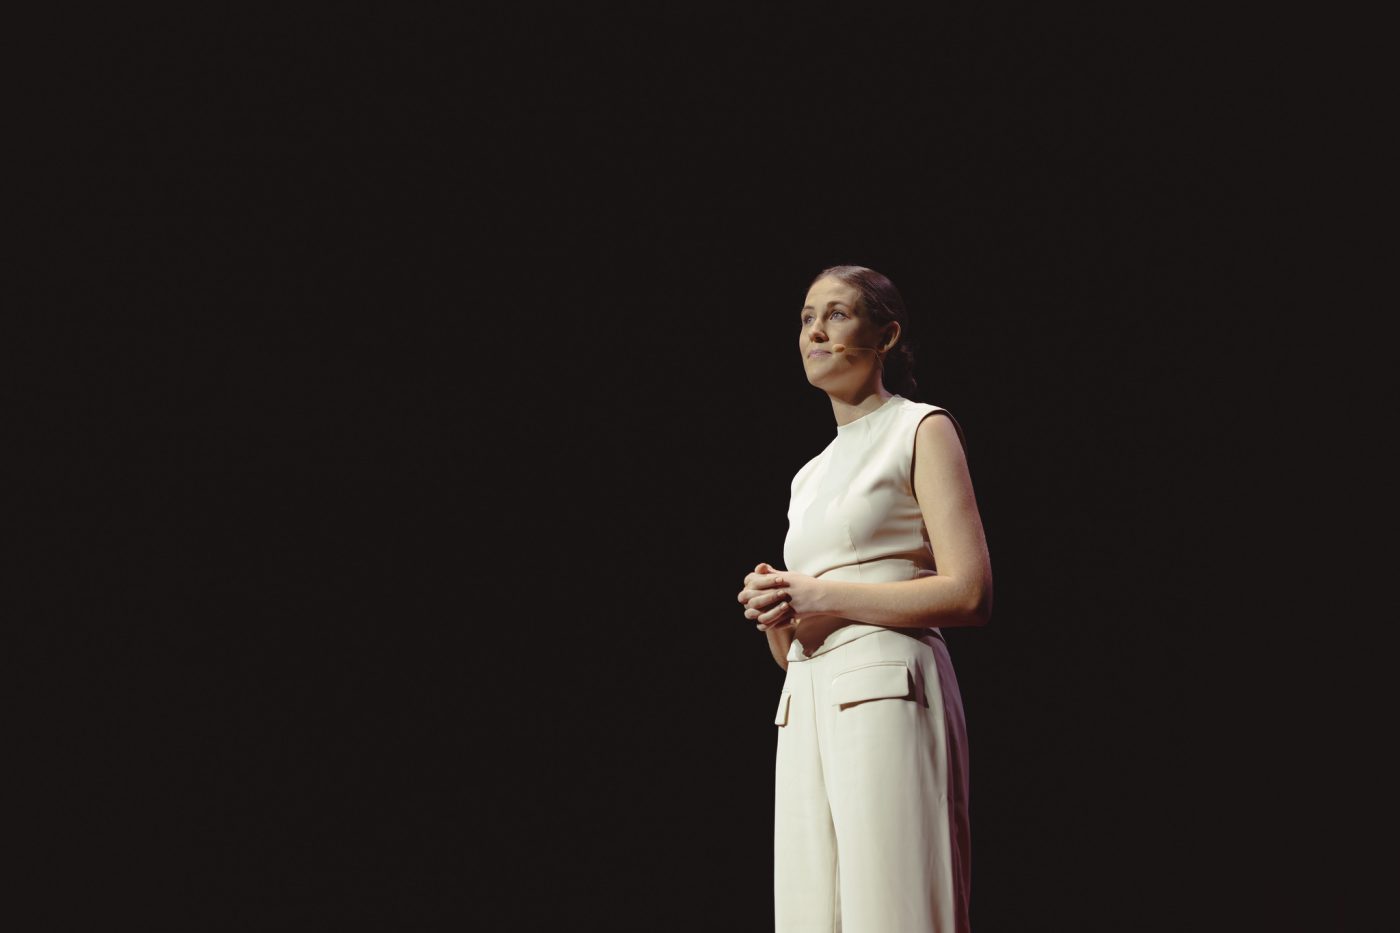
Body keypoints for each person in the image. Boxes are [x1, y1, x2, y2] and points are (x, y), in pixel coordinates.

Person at [736, 265, 993, 933]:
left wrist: (817, 590)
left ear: (886, 335)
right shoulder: (808, 475)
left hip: (889, 693)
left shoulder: (919, 428)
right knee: (810, 914)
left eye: (837, 314)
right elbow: (795, 649)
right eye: (804, 317)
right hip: (807, 703)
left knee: (894, 906)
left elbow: (970, 591)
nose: (814, 330)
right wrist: (778, 610)